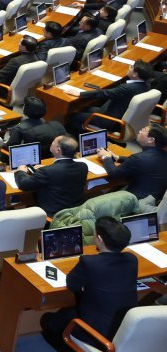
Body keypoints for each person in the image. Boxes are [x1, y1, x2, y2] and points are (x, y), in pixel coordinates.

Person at [40, 216, 138, 352]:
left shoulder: (89, 262)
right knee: (65, 314)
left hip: (97, 334)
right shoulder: (132, 260)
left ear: (100, 239)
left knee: (47, 321)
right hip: (124, 328)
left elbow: (72, 285)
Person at [15, 135, 88, 216]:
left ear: (58, 150)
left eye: (53, 142)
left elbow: (24, 184)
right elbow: (62, 173)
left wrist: (20, 171)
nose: (51, 143)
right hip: (76, 211)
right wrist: (49, 168)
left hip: (54, 215)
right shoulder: (83, 166)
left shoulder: (47, 171)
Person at [97, 123, 167, 206]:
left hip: (136, 203)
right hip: (156, 201)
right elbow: (141, 162)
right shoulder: (162, 155)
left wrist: (106, 156)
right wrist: (118, 158)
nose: (140, 131)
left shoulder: (139, 158)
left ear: (151, 140)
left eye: (143, 130)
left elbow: (114, 173)